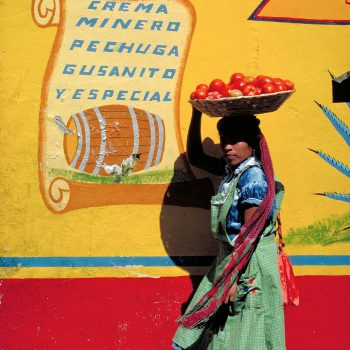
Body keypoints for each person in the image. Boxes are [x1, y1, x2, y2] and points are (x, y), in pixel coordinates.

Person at [172, 107, 286, 350]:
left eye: (234, 141)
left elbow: (249, 235)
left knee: (243, 332)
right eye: (224, 140)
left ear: (252, 143)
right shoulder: (233, 171)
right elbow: (196, 156)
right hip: (232, 261)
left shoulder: (252, 177)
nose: (227, 147)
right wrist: (196, 113)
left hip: (246, 265)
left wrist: (232, 279)